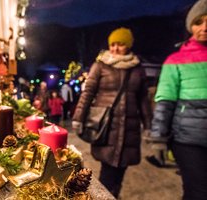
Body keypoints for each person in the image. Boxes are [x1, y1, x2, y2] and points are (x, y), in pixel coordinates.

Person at [72, 27, 152, 198]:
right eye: (112, 44)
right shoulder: (100, 65)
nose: (115, 48)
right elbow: (88, 93)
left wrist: (149, 125)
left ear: (128, 45)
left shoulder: (137, 68)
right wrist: (78, 118)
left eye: (120, 44)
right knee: (108, 170)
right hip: (106, 126)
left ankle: (114, 194)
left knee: (121, 170)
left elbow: (143, 99)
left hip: (129, 127)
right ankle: (107, 196)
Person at [145, 1, 207, 199]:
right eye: (199, 22)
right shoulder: (176, 61)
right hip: (187, 140)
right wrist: (159, 139)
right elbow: (165, 101)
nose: (205, 27)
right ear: (191, 26)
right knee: (198, 191)